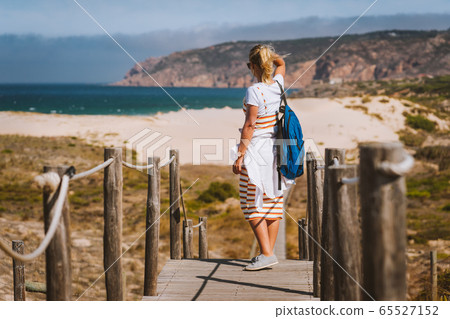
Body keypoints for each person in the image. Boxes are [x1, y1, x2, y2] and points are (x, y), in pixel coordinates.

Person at [231, 44, 295, 271]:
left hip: (257, 151)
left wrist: (240, 155)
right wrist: (271, 58)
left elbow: (250, 125)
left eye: (250, 65)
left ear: (254, 66)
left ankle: (267, 253)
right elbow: (282, 64)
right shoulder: (277, 85)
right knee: (273, 201)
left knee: (250, 202)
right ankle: (267, 254)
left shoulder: (254, 91)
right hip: (276, 151)